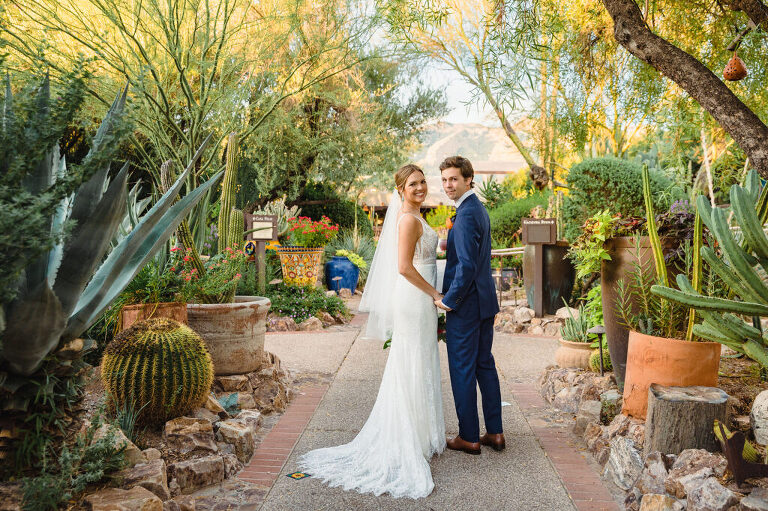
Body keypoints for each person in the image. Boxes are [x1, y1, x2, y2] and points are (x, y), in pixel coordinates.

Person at [298, 164, 445, 499]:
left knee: (419, 359)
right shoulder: (407, 220)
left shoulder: (415, 216)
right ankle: (406, 437)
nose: (420, 188)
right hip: (416, 297)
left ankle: (419, 435)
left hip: (421, 298)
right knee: (410, 361)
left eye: (422, 182)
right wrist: (435, 294)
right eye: (413, 184)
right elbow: (404, 267)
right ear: (400, 190)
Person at [435, 155, 505, 455]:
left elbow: (464, 267)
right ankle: (495, 432)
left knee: (462, 369)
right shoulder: (478, 209)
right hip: (485, 302)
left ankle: (469, 437)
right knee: (484, 365)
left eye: (453, 179)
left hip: (466, 306)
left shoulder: (464, 215)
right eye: (444, 180)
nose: (448, 185)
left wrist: (448, 301)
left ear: (468, 178)